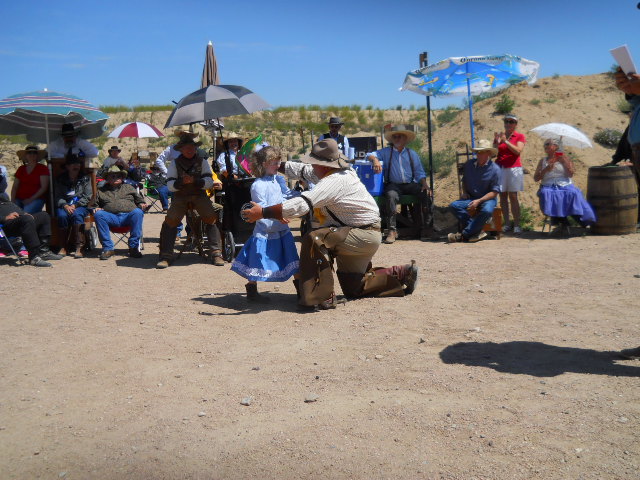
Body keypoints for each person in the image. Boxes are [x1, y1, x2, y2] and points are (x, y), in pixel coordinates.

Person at [243, 139, 419, 311]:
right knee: (354, 287)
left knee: (315, 238)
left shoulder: (334, 181)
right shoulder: (337, 172)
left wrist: (263, 212)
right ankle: (401, 273)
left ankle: (320, 296)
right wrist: (274, 164)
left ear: (324, 165)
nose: (311, 166)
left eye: (314, 162)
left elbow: (303, 204)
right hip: (364, 234)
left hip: (360, 235)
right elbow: (302, 170)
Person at [231, 146, 300, 302]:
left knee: (292, 258)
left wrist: (301, 195)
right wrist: (276, 216)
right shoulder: (258, 185)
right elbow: (260, 208)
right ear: (263, 164)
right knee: (257, 259)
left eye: (278, 162)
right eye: (274, 163)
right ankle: (252, 290)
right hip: (265, 228)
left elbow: (286, 196)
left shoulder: (278, 179)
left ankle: (302, 290)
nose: (278, 165)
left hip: (282, 227)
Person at [156, 135, 224, 269]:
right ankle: (166, 256)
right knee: (170, 221)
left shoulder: (203, 162)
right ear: (181, 149)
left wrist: (196, 181)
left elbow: (209, 181)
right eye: (187, 148)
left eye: (192, 148)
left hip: (199, 195)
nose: (190, 150)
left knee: (211, 218)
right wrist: (181, 182)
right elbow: (170, 185)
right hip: (180, 196)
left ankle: (216, 253)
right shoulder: (174, 163)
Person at [366, 124, 432, 243]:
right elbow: (369, 155)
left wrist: (424, 184)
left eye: (399, 136)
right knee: (391, 196)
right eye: (394, 137)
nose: (397, 139)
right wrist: (375, 160)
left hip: (410, 184)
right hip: (393, 185)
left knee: (426, 193)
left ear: (405, 139)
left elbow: (419, 172)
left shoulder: (412, 154)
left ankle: (427, 228)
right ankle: (392, 230)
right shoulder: (386, 152)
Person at [533, 138, 596, 234]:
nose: (545, 146)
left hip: (564, 184)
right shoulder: (543, 161)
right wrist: (546, 170)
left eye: (548, 144)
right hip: (548, 185)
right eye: (545, 144)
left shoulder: (565, 158)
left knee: (572, 193)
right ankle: (562, 222)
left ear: (556, 147)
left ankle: (579, 220)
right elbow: (536, 178)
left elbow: (570, 174)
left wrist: (564, 163)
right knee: (547, 193)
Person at [447, 139, 501, 243]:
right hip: (471, 197)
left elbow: (494, 192)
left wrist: (479, 201)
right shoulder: (469, 165)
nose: (479, 154)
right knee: (453, 206)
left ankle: (464, 235)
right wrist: (465, 192)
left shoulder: (495, 169)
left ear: (489, 153)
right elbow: (464, 181)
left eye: (482, 152)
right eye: (478, 152)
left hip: (488, 199)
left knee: (487, 210)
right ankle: (476, 230)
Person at [94, 166, 147, 260]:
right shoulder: (101, 191)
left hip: (128, 216)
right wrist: (96, 208)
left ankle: (134, 247)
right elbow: (94, 205)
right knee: (99, 214)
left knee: (138, 212)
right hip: (111, 217)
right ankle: (108, 249)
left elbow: (140, 200)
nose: (116, 178)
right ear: (107, 179)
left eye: (118, 176)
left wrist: (142, 204)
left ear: (122, 178)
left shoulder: (129, 187)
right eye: (112, 176)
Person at [0, 198, 63, 267]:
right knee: (27, 219)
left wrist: (23, 213)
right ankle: (33, 257)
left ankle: (43, 252)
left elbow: (12, 206)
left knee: (44, 216)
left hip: (19, 219)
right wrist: (5, 218)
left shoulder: (2, 197)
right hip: (5, 225)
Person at [54, 152, 92, 257]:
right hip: (64, 205)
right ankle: (63, 246)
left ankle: (79, 247)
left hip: (80, 206)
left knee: (77, 215)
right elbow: (57, 196)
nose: (76, 166)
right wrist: (65, 205)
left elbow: (88, 196)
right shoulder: (60, 179)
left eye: (77, 164)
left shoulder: (85, 178)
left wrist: (75, 205)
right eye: (72, 164)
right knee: (62, 216)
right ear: (67, 167)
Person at [493, 114, 526, 233]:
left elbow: (518, 151)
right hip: (500, 167)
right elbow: (494, 153)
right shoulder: (501, 136)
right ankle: (506, 223)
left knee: (513, 196)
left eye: (511, 122)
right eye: (506, 121)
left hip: (513, 168)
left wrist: (505, 141)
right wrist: (496, 143)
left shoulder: (519, 136)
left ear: (515, 124)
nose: (508, 124)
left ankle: (516, 224)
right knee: (502, 195)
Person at [11, 145, 49, 213]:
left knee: (26, 213)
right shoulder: (21, 169)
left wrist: (30, 199)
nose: (32, 154)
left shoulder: (43, 168)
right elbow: (15, 187)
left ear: (37, 155)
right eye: (29, 152)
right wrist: (12, 201)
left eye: (34, 152)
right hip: (19, 198)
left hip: (36, 199)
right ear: (26, 155)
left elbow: (44, 187)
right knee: (13, 213)